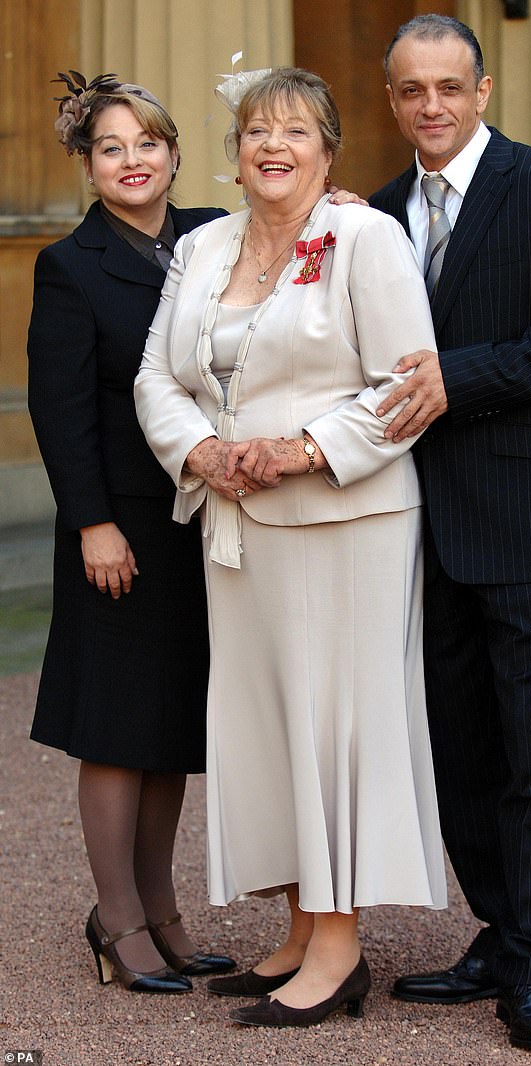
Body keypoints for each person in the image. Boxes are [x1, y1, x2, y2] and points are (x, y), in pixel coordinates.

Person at [134, 66, 447, 1029]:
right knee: (271, 727)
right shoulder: (202, 245)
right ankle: (304, 930)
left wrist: (304, 448)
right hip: (238, 525)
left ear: (328, 149)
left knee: (337, 727)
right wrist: (206, 451)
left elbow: (405, 387)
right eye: (256, 130)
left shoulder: (365, 236)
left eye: (296, 131)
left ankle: (342, 947)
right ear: (233, 154)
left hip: (348, 525)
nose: (273, 145)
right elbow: (158, 377)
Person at [368, 14, 531, 1053]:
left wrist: (457, 380)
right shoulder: (381, 211)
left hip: (525, 513)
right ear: (391, 102)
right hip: (416, 522)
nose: (429, 105)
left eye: (447, 86)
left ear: (481, 90)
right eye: (409, 90)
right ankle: (494, 924)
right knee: (459, 745)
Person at [27, 72, 238, 993]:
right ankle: (117, 921)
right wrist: (94, 524)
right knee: (116, 727)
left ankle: (164, 912)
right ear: (88, 164)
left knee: (169, 723)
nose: (132, 161)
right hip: (117, 529)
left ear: (174, 152)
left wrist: (340, 204)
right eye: (110, 148)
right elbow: (59, 409)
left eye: (146, 143)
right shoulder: (70, 266)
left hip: (195, 519)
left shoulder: (210, 239)